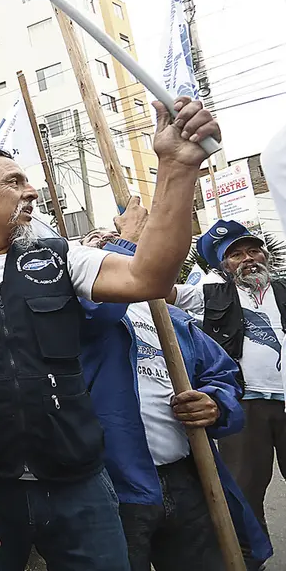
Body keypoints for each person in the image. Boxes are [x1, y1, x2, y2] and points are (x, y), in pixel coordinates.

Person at [0, 94, 221, 570]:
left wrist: (176, 165)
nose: (30, 191)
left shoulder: (62, 258)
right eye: (14, 181)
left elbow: (148, 277)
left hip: (80, 485)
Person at [80, 224, 271, 570]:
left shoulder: (175, 319)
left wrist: (213, 403)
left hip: (186, 475)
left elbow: (221, 374)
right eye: (99, 250)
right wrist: (121, 245)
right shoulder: (84, 315)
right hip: (116, 486)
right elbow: (95, 305)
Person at [172, 219, 286, 544]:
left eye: (253, 251)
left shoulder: (283, 288)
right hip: (245, 405)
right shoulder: (210, 294)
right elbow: (160, 289)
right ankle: (253, 556)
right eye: (236, 255)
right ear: (224, 265)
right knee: (246, 488)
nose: (248, 258)